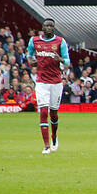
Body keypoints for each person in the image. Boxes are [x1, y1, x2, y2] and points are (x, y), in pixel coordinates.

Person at [26, 18, 70, 154]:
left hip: (56, 82)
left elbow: (67, 61)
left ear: (54, 28)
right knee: (43, 112)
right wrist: (31, 61)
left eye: (51, 26)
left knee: (54, 113)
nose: (49, 28)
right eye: (47, 26)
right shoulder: (34, 41)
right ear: (43, 28)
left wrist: (60, 59)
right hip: (41, 83)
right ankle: (46, 146)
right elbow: (29, 55)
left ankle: (54, 136)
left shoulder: (60, 41)